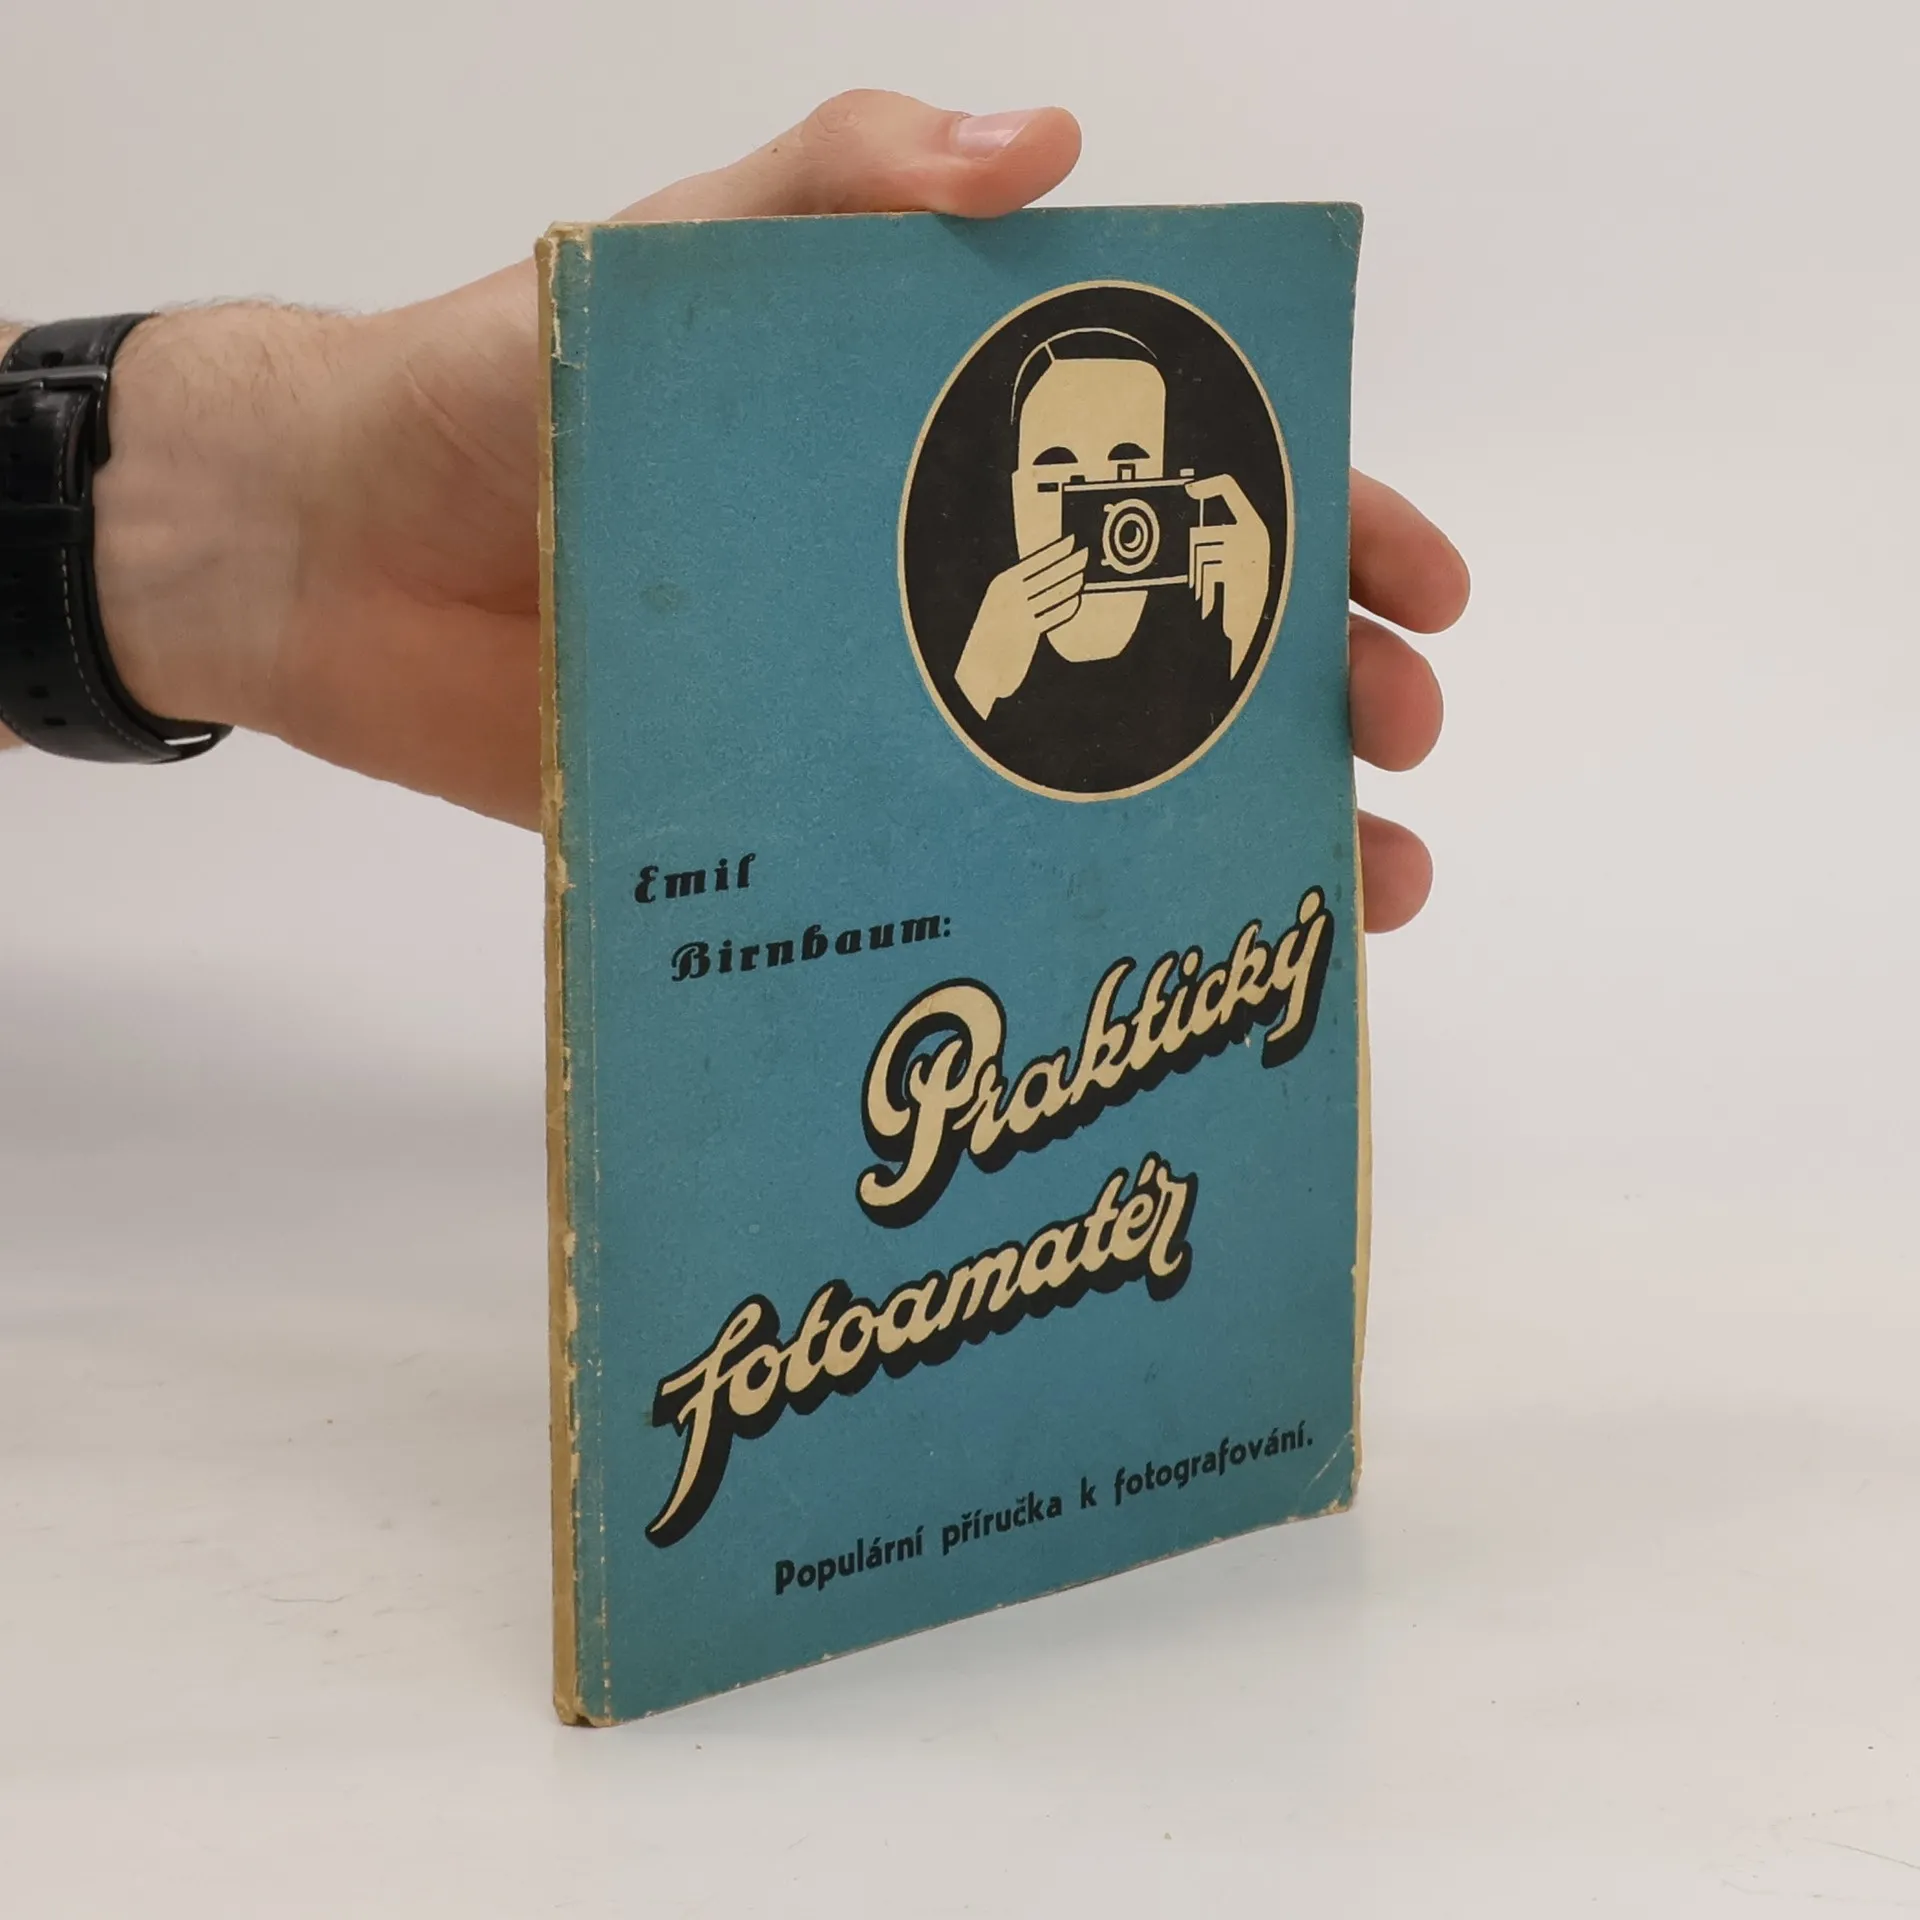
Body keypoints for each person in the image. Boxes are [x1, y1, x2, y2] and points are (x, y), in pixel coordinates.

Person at [0, 91, 1464, 931]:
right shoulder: (972, 646)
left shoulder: (1196, 655)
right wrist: (989, 665)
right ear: (1003, 490)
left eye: (1130, 477)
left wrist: (1236, 644)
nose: (1106, 522)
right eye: (1058, 481)